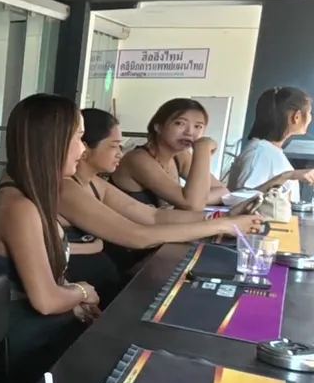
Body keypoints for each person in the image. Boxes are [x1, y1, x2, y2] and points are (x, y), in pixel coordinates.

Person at [61, 109, 264, 292]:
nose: (120, 153)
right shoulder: (65, 188)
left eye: (198, 126)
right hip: (92, 288)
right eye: (114, 146)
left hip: (107, 279)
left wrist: (224, 216)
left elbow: (154, 216)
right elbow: (137, 235)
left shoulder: (94, 183)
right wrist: (223, 225)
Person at [0, 94, 97, 383]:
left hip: (32, 330)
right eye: (79, 137)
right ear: (51, 142)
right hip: (24, 343)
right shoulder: (18, 207)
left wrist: (73, 301)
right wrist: (83, 291)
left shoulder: (29, 195)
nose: (83, 150)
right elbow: (46, 301)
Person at [110, 98, 229, 210]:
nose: (190, 132)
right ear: (158, 127)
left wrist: (198, 199)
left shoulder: (180, 156)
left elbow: (223, 192)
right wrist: (202, 151)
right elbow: (193, 204)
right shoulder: (138, 159)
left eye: (198, 126)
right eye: (180, 123)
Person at [227, 86, 314, 200]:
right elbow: (242, 198)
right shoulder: (259, 153)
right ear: (296, 117)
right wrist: (288, 176)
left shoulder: (269, 151)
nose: (310, 117)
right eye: (309, 112)